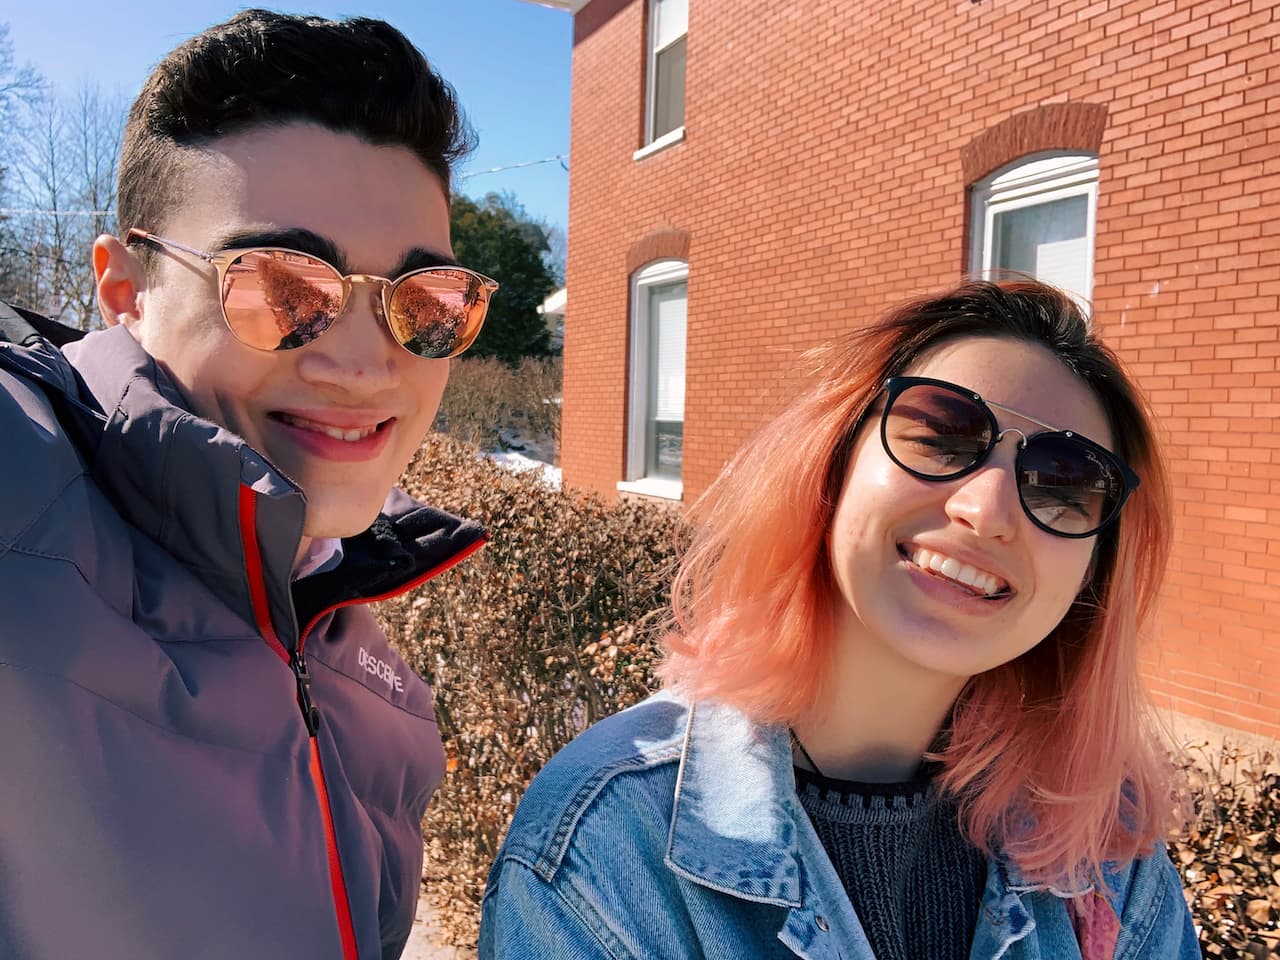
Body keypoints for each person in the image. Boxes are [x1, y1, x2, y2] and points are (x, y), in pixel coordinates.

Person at [479, 279, 1198, 959]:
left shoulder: (1106, 852)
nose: (985, 510)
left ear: (1095, 569)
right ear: (833, 463)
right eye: (943, 435)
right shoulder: (610, 835)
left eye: (1065, 483)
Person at [0, 10, 498, 960]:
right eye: (282, 285)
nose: (365, 365)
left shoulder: (374, 684)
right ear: (123, 289)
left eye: (423, 304)